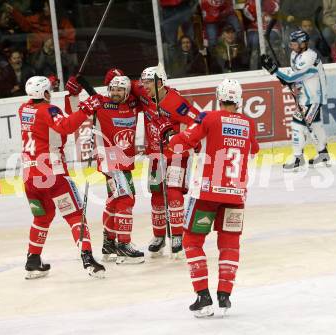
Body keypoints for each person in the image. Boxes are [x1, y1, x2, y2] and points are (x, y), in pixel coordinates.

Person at [167, 78, 259, 317]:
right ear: (239, 100)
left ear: (219, 97)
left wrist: (170, 139)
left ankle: (203, 296)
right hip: (236, 193)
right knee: (230, 243)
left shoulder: (208, 117)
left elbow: (183, 141)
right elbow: (254, 149)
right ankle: (224, 295)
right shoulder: (249, 123)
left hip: (206, 193)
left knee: (192, 241)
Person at [19, 75, 105, 279]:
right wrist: (86, 107)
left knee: (42, 216)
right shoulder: (50, 110)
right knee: (75, 215)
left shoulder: (24, 109)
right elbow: (65, 126)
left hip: (30, 177)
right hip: (53, 174)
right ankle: (87, 258)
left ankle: (33, 259)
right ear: (45, 93)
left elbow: (52, 118)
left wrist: (52, 83)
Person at [65, 72, 144, 265]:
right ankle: (123, 246)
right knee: (126, 199)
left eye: (120, 89)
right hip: (110, 160)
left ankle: (109, 244)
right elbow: (73, 110)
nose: (115, 93)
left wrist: (128, 80)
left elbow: (145, 94)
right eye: (112, 89)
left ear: (127, 92)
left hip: (124, 161)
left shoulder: (134, 104)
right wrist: (73, 93)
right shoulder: (99, 102)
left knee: (114, 201)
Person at [130, 65, 200, 258]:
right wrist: (115, 75)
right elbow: (126, 84)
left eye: (148, 82)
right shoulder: (143, 94)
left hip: (177, 154)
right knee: (156, 195)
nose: (144, 86)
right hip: (155, 155)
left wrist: (186, 138)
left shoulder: (176, 102)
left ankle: (177, 235)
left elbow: (198, 120)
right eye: (143, 82)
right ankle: (159, 236)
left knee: (173, 192)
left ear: (160, 83)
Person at [261, 30, 330, 171]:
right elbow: (294, 78)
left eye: (294, 43)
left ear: (303, 43)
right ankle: (323, 154)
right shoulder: (294, 55)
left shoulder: (309, 57)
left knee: (297, 124)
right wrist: (291, 83)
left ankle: (298, 158)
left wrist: (274, 70)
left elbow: (291, 77)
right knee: (315, 124)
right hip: (305, 96)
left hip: (313, 98)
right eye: (291, 43)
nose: (291, 46)